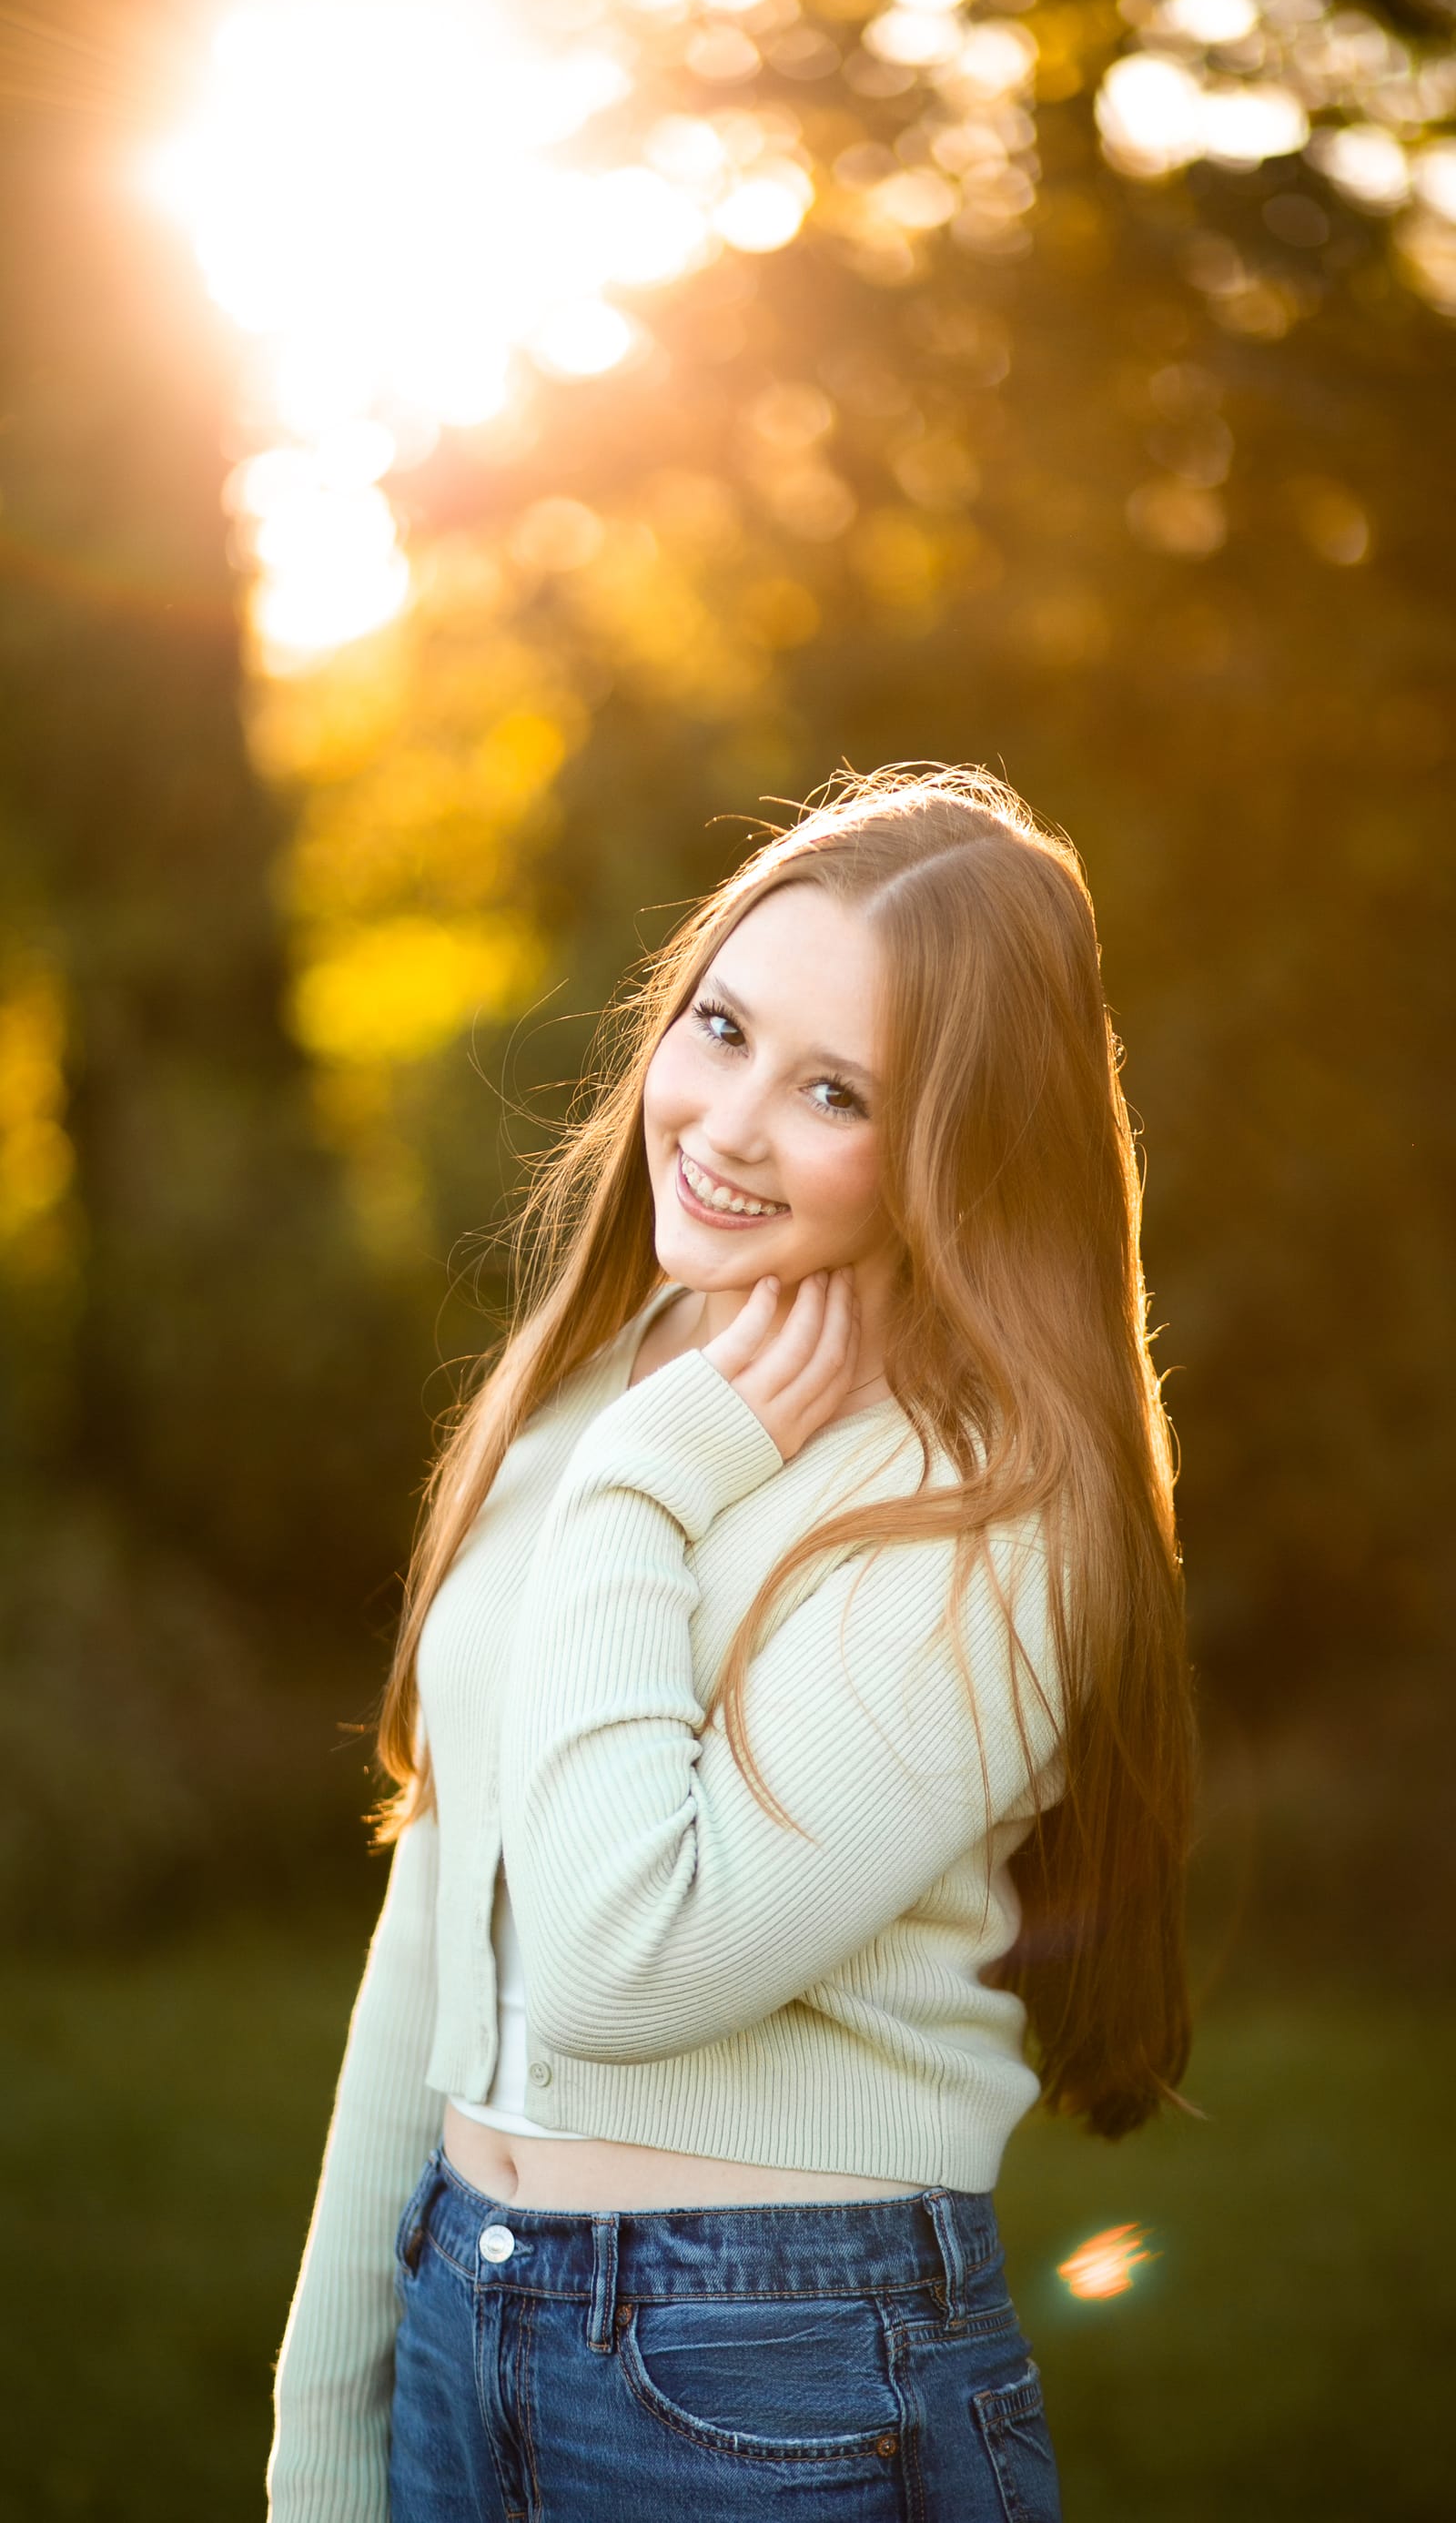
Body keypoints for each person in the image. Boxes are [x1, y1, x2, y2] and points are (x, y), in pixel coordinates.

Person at [267, 762, 1193, 2523]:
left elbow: (627, 1975)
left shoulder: (988, 1502)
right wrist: (327, 2425)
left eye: (833, 1089)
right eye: (721, 1029)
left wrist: (641, 1490)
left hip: (770, 2377)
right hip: (466, 2298)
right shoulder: (608, 1386)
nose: (727, 1122)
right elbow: (450, 1903)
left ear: (955, 1146)